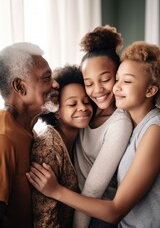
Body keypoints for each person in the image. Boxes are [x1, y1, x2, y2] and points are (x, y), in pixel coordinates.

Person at [26, 41, 160, 228]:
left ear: (150, 90)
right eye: (118, 79)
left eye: (126, 81)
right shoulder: (102, 115)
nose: (116, 87)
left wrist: (56, 191)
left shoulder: (153, 130)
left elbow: (114, 210)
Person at [0, 42, 59, 228]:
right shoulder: (3, 138)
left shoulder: (30, 131)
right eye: (46, 78)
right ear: (20, 87)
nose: (56, 84)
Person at [31, 65, 93, 228]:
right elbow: (44, 221)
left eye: (86, 101)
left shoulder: (80, 137)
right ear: (57, 111)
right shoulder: (48, 147)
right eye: (72, 104)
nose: (83, 107)